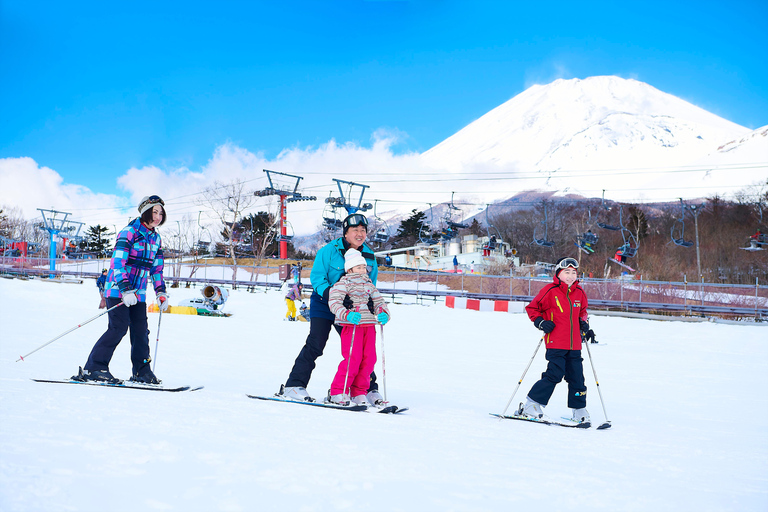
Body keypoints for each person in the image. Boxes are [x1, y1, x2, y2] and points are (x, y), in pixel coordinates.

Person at [280, 213, 383, 403]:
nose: (360, 234)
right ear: (346, 233)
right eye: (355, 230)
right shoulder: (329, 251)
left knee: (359, 348)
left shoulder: (369, 256)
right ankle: (294, 385)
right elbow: (318, 278)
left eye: (363, 231)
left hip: (352, 310)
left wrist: (370, 304)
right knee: (316, 343)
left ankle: (367, 388)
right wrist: (332, 297)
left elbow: (371, 284)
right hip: (324, 303)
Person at [72, 195, 170, 384]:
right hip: (118, 290)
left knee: (141, 331)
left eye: (161, 213)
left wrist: (161, 292)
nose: (158, 217)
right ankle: (95, 367)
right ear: (145, 212)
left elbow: (156, 269)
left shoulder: (156, 238)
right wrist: (125, 289)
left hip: (138, 293)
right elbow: (118, 263)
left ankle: (142, 371)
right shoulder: (129, 232)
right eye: (154, 212)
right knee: (118, 327)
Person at [520, 257, 596, 424]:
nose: (570, 276)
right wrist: (541, 322)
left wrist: (585, 325)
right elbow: (532, 308)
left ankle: (579, 409)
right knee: (555, 374)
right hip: (556, 341)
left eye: (573, 273)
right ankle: (531, 405)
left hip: (575, 344)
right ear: (558, 274)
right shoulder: (550, 290)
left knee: (577, 377)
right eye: (566, 272)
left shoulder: (580, 293)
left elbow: (582, 313)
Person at [327, 249, 390, 404]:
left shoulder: (369, 285)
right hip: (352, 326)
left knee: (369, 359)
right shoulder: (343, 283)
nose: (363, 270)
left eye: (364, 267)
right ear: (350, 269)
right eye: (359, 267)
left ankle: (358, 392)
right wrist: (346, 314)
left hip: (369, 325)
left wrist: (383, 313)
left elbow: (379, 302)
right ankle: (338, 391)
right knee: (352, 359)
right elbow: (334, 302)